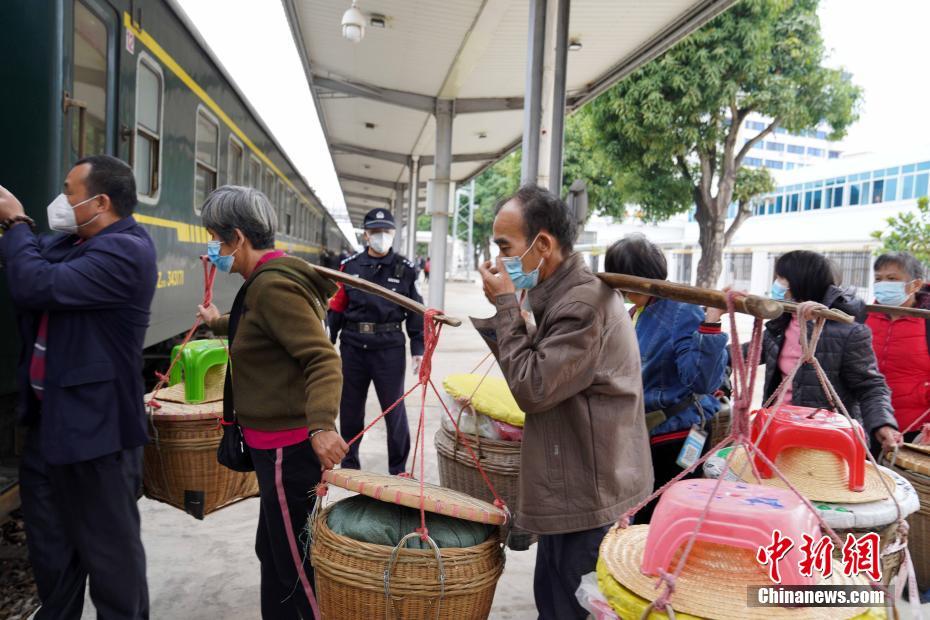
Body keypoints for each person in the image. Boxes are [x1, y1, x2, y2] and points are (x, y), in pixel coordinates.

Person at [476, 185, 652, 620]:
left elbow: (533, 388)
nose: (498, 261)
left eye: (505, 247)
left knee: (569, 609)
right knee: (553, 607)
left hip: (590, 493)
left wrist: (505, 307)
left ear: (543, 245)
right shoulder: (562, 294)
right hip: (571, 490)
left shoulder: (582, 306)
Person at [0, 155, 155, 619]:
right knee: (53, 559)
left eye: (69, 191)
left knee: (112, 566)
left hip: (98, 434)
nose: (61, 200)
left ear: (100, 201)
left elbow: (35, 284)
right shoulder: (74, 243)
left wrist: (17, 220)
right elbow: (29, 258)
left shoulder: (127, 250)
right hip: (50, 430)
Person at [195, 186, 347, 619]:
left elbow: (321, 358)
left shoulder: (273, 287)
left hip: (286, 449)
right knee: (274, 550)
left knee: (296, 565)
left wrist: (321, 425)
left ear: (237, 238)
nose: (212, 249)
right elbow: (257, 326)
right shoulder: (261, 282)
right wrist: (216, 323)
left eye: (214, 239)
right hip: (272, 447)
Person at [604, 235, 729, 523]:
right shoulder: (637, 311)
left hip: (675, 434)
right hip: (643, 434)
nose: (622, 291)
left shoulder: (681, 311)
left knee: (665, 515)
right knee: (642, 512)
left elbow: (702, 380)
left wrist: (712, 320)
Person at [762, 250, 900, 451]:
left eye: (781, 278)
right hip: (779, 431)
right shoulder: (780, 325)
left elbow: (870, 386)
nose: (777, 283)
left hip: (827, 439)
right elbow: (747, 353)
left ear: (799, 282)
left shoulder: (849, 332)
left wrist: (883, 423)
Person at [327, 208, 423, 475]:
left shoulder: (405, 269)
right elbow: (336, 308)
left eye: (386, 231)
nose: (381, 236)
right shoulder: (350, 267)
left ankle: (398, 468)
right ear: (366, 234)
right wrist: (327, 343)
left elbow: (416, 311)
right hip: (353, 346)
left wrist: (418, 348)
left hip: (389, 348)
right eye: (375, 231)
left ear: (393, 233)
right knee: (350, 408)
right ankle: (349, 462)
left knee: (394, 409)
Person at [866, 252, 930, 442]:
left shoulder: (927, 321)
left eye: (892, 278)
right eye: (878, 279)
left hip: (916, 429)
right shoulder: (865, 317)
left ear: (915, 285)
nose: (883, 284)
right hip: (869, 422)